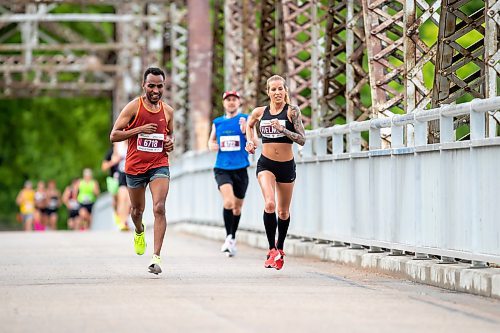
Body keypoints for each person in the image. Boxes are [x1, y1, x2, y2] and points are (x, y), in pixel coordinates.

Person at [110, 67, 174, 275]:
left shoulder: (168, 112)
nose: (156, 90)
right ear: (144, 86)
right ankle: (139, 231)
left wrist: (170, 143)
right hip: (135, 167)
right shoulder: (133, 107)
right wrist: (139, 129)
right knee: (137, 211)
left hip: (159, 164)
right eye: (151, 86)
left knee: (159, 207)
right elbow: (114, 135)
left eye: (160, 86)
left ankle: (156, 257)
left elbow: (169, 137)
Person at [245, 74, 306, 270]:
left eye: (281, 89)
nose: (277, 92)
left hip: (287, 165)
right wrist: (250, 140)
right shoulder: (260, 112)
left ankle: (280, 248)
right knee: (270, 204)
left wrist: (283, 129)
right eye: (274, 89)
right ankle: (271, 249)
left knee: (283, 211)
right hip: (266, 164)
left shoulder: (292, 112)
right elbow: (249, 124)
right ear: (268, 92)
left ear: (285, 91)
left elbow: (302, 139)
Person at [208, 90, 249, 257]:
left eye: (234, 99)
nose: (231, 102)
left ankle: (232, 238)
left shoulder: (245, 119)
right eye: (228, 100)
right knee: (229, 202)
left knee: (238, 208)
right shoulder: (217, 122)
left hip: (241, 168)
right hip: (222, 168)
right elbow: (211, 140)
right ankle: (229, 237)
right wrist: (211, 145)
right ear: (224, 103)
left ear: (239, 102)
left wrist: (246, 130)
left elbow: (253, 139)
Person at [102, 141, 130, 231]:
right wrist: (114, 161)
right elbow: (104, 166)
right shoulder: (115, 149)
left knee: (128, 200)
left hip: (129, 175)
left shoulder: (131, 144)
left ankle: (124, 220)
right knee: (119, 199)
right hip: (116, 177)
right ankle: (122, 221)